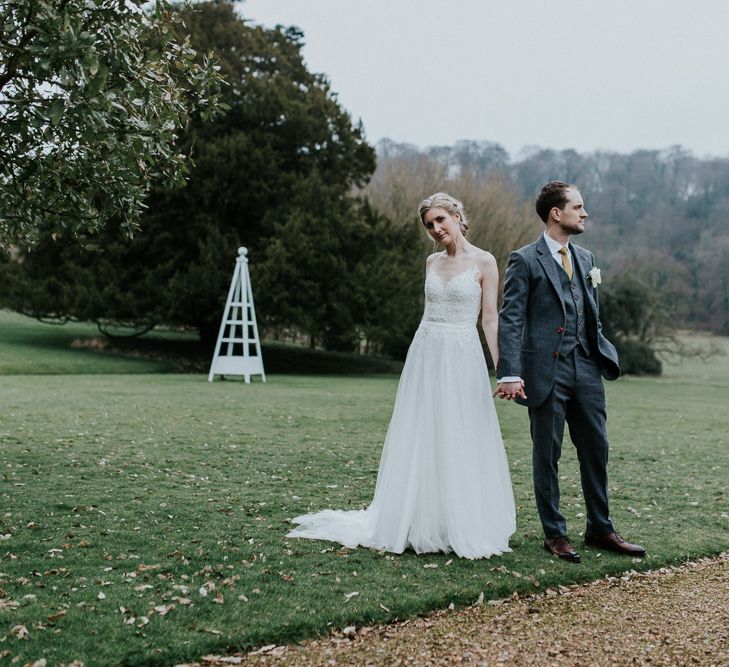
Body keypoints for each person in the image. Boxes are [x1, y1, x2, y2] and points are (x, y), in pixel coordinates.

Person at [287, 192, 516, 559]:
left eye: (441, 220)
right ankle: (414, 519)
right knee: (422, 430)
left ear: (457, 216)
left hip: (461, 353)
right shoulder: (431, 262)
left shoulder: (485, 261)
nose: (436, 229)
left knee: (459, 430)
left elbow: (489, 319)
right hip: (426, 351)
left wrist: (503, 368)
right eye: (429, 225)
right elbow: (429, 312)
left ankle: (460, 521)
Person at [496, 181, 645, 563]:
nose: (585, 213)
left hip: (586, 368)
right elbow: (511, 319)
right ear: (556, 214)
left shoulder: (586, 257)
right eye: (578, 207)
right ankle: (555, 534)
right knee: (547, 453)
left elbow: (588, 310)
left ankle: (600, 528)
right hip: (544, 371)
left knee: (597, 448)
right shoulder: (524, 260)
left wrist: (599, 350)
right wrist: (509, 371)